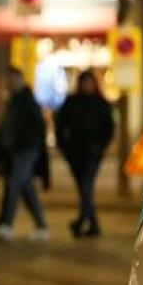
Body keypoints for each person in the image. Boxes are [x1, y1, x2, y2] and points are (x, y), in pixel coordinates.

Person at [0, 66, 50, 242]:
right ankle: (41, 226)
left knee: (13, 184)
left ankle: (6, 224)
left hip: (25, 152)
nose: (9, 84)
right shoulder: (14, 102)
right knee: (26, 188)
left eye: (12, 80)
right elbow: (5, 130)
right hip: (16, 152)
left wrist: (26, 146)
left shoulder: (27, 101)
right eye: (7, 81)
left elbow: (37, 128)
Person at [54, 70, 115, 237]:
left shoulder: (101, 104)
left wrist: (100, 147)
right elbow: (60, 124)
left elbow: (108, 129)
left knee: (86, 185)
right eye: (84, 82)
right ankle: (86, 221)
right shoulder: (71, 102)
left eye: (89, 82)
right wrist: (63, 146)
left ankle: (88, 222)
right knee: (83, 187)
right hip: (74, 153)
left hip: (93, 153)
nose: (87, 86)